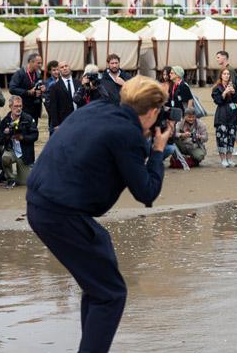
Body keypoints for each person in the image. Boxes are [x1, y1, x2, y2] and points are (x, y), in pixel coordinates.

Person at [27, 76, 172, 353]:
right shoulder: (127, 134)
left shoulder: (96, 108)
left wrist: (141, 140)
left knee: (98, 283)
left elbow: (101, 144)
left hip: (41, 203)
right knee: (111, 294)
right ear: (152, 112)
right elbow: (146, 192)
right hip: (60, 213)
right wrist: (157, 150)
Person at [0, 95, 39, 188]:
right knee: (5, 158)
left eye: (20, 106)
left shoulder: (27, 118)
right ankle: (10, 178)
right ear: (10, 106)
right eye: (16, 106)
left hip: (24, 154)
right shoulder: (6, 120)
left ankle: (4, 176)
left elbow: (35, 135)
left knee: (24, 183)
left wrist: (22, 137)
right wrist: (6, 133)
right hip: (11, 150)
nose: (18, 108)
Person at [211, 68, 237, 168]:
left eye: (228, 74)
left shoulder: (233, 86)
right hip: (222, 114)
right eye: (224, 74)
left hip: (232, 114)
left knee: (231, 137)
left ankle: (229, 159)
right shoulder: (217, 88)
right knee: (221, 137)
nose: (227, 75)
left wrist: (233, 92)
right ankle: (223, 159)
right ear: (221, 75)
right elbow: (218, 101)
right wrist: (224, 92)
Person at [9, 54, 46, 123]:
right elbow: (12, 89)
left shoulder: (38, 73)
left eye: (41, 63)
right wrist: (28, 92)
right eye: (38, 63)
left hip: (35, 108)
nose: (40, 65)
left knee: (33, 130)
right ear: (31, 62)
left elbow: (38, 86)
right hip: (23, 108)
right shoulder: (19, 74)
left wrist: (42, 89)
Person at [48, 62, 78, 130]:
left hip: (78, 118)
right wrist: (56, 124)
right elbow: (53, 106)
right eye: (62, 67)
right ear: (59, 70)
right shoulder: (55, 87)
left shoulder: (78, 83)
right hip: (63, 121)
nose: (64, 68)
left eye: (66, 66)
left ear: (69, 68)